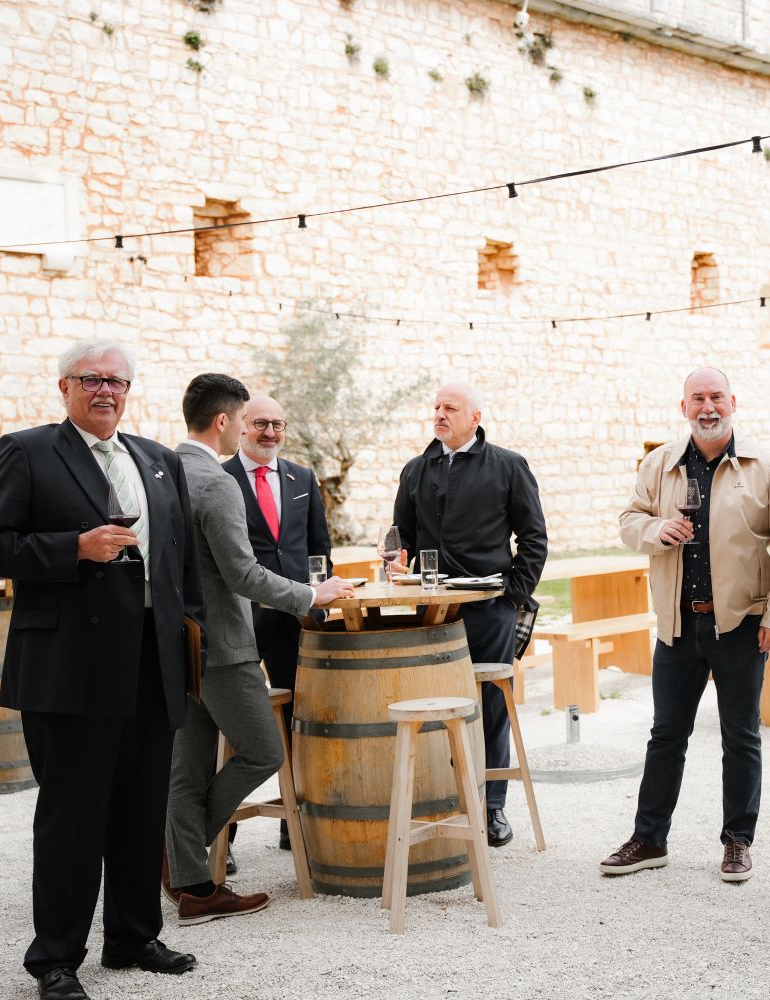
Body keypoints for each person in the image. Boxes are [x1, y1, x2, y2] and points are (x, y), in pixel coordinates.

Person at [0, 340, 203, 1000]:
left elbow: (182, 558)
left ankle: (133, 937)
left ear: (128, 391)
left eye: (117, 381)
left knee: (141, 809)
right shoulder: (28, 451)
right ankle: (54, 959)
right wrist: (74, 547)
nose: (106, 390)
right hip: (69, 666)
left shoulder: (158, 460)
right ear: (65, 387)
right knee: (71, 818)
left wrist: (193, 633)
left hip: (151, 662)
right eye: (92, 379)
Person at [600, 367, 770, 883]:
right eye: (698, 398)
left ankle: (738, 840)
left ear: (733, 402)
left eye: (716, 397)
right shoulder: (659, 463)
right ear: (684, 406)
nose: (708, 407)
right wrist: (655, 528)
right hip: (677, 625)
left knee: (741, 736)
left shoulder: (767, 468)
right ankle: (649, 839)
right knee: (665, 735)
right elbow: (628, 521)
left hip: (741, 624)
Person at [166, 374, 354, 924]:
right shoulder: (217, 481)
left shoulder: (162, 470)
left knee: (188, 767)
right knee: (264, 752)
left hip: (177, 641)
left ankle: (192, 886)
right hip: (225, 644)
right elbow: (242, 574)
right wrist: (311, 595)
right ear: (225, 421)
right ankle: (177, 856)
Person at [390, 381, 548, 847]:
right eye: (436, 407)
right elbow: (401, 536)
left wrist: (512, 598)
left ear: (475, 417)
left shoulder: (509, 465)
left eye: (451, 408)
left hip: (490, 610)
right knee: (435, 705)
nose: (440, 414)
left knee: (491, 707)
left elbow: (534, 539)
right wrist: (397, 558)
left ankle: (492, 806)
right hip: (432, 612)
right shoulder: (416, 469)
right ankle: (444, 799)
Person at [221, 393, 331, 851]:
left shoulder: (302, 478)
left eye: (278, 425)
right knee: (234, 729)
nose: (270, 433)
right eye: (261, 423)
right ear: (241, 425)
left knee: (299, 721)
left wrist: (318, 608)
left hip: (294, 620)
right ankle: (223, 837)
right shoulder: (220, 479)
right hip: (240, 621)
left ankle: (294, 825)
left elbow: (318, 550)